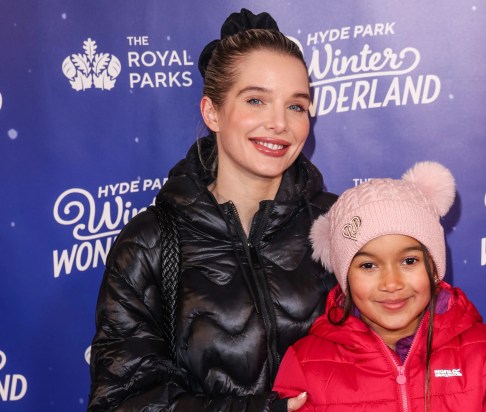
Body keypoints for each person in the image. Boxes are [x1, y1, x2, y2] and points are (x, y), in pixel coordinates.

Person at [88, 9, 336, 412]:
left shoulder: (338, 223)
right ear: (212, 112)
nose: (279, 123)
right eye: (256, 100)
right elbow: (122, 401)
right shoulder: (150, 241)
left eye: (296, 106)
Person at [273, 161, 486, 411]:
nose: (391, 283)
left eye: (409, 261)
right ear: (345, 278)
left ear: (434, 267)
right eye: (368, 266)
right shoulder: (306, 362)